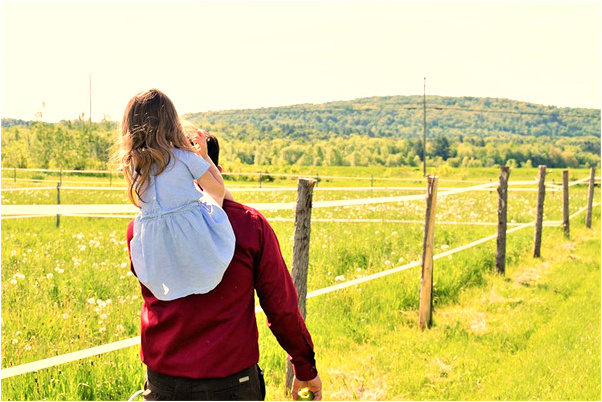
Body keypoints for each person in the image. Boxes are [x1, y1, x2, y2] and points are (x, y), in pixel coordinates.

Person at [126, 129, 322, 401]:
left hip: (165, 384)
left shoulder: (141, 230)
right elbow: (281, 307)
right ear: (215, 172)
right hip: (232, 384)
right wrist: (304, 365)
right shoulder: (249, 225)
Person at [114, 88, 236, 301]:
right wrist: (204, 157)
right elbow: (217, 189)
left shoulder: (134, 165)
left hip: (156, 246)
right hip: (194, 235)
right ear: (171, 121)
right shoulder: (183, 157)